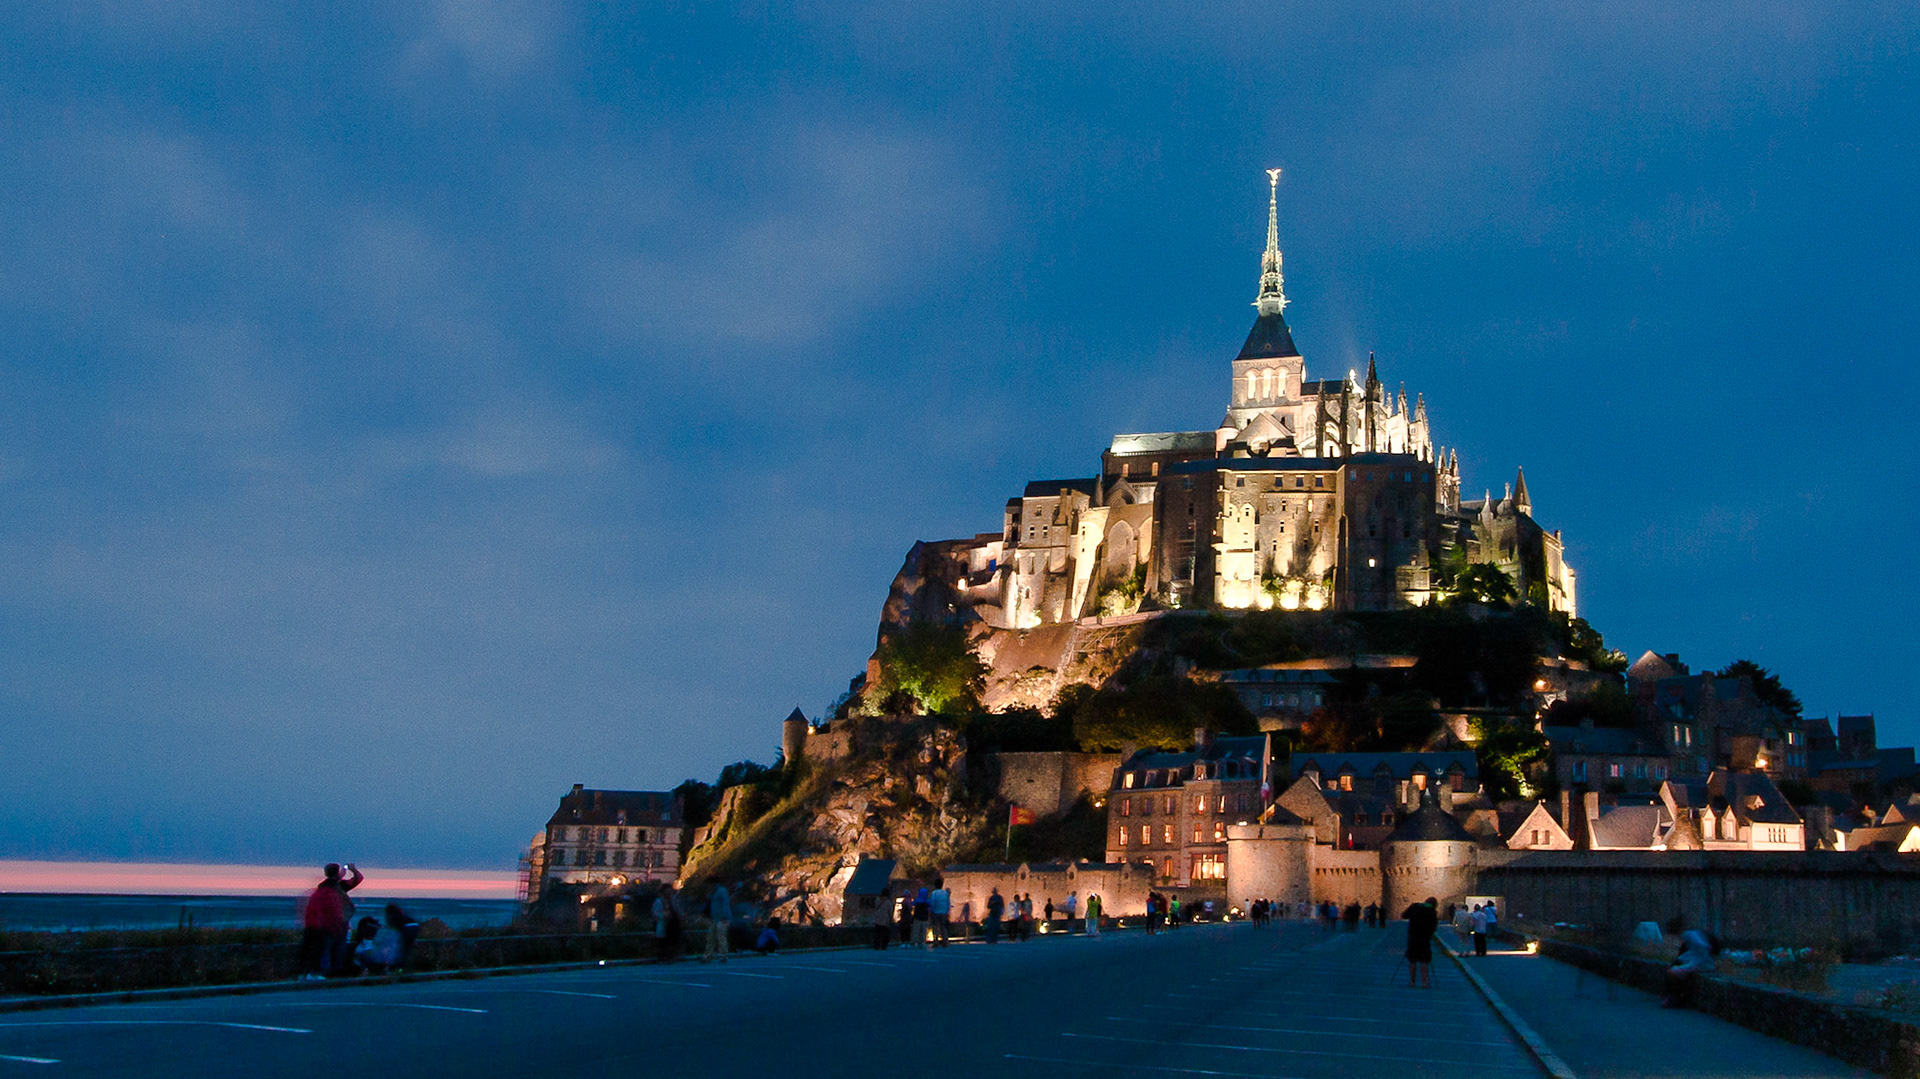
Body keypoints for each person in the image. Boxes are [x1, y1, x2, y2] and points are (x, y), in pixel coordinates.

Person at [297, 862, 363, 980]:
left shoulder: (322, 888)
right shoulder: (339, 887)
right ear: (338, 873)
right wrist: (353, 869)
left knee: (325, 951)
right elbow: (358, 879)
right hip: (336, 925)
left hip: (323, 925)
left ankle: (324, 973)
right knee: (335, 951)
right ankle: (330, 973)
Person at [354, 904, 419, 974]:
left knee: (360, 953)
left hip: (384, 958)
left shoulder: (387, 932)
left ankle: (363, 972)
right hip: (395, 958)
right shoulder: (399, 932)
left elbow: (377, 944)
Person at [1664, 929, 1720, 1008]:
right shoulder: (1695, 943)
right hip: (1699, 964)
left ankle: (1675, 997)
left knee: (1672, 973)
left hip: (1699, 965)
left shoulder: (1691, 937)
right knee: (1674, 971)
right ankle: (1676, 996)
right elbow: (1687, 955)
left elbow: (1699, 952)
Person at [1403, 896, 1440, 988]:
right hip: (1425, 939)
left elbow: (1404, 915)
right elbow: (1434, 926)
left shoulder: (1415, 906)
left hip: (1413, 938)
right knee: (1424, 961)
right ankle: (1424, 982)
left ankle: (1412, 982)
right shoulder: (1432, 912)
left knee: (1413, 960)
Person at [703, 883, 731, 964]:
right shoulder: (713, 892)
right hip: (714, 918)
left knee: (721, 937)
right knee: (711, 937)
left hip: (721, 918)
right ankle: (708, 955)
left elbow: (725, 903)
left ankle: (723, 955)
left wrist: (725, 916)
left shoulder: (721, 891)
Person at [653, 887, 678, 961]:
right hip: (663, 923)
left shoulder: (673, 901)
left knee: (671, 940)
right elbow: (655, 913)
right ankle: (663, 956)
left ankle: (670, 955)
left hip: (672, 924)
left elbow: (676, 910)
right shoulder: (659, 901)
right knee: (662, 941)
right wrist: (663, 915)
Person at [929, 880, 952, 947]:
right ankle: (945, 940)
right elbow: (948, 902)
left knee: (935, 926)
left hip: (936, 911)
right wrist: (947, 911)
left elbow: (932, 902)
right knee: (943, 926)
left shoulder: (934, 893)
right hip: (943, 912)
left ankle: (936, 940)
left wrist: (931, 910)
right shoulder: (945, 893)